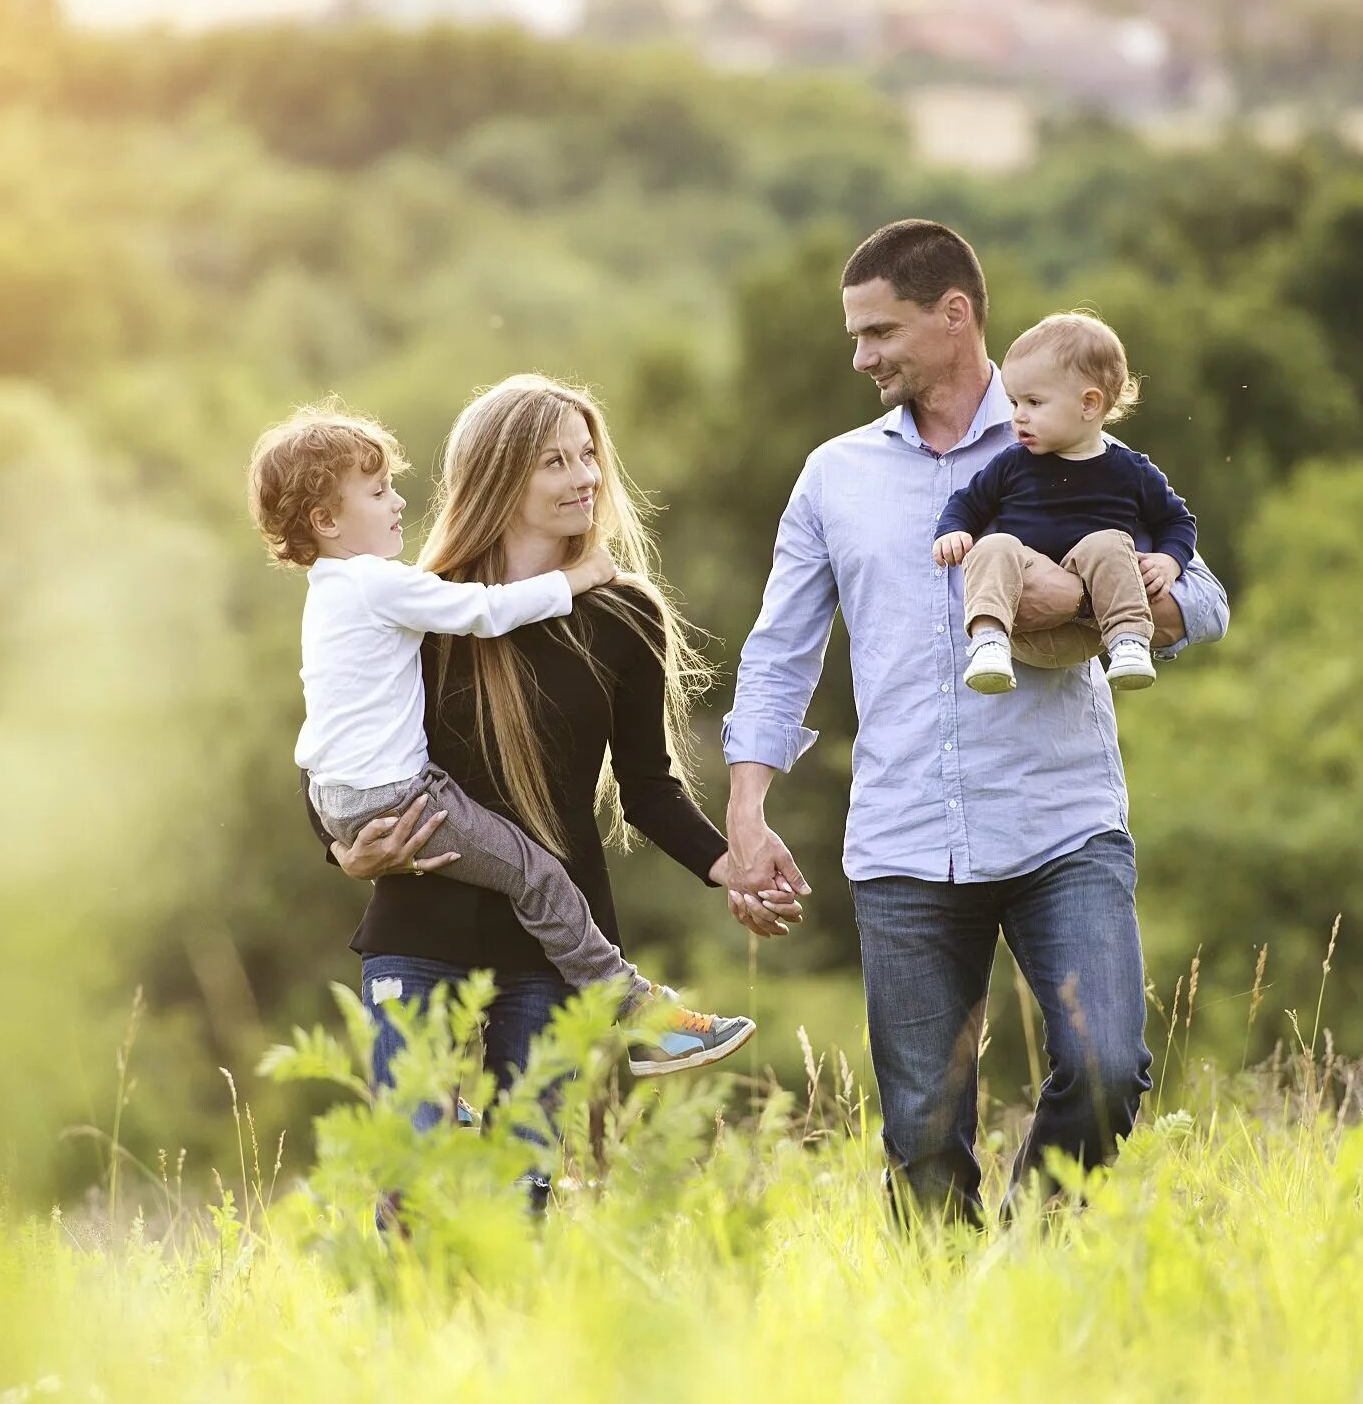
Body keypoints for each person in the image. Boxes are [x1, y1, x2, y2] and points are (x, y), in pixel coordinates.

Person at [718, 220, 1231, 1226]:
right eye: (854, 336)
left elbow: (1204, 602)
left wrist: (1094, 603)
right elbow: (779, 649)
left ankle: (1024, 1265)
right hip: (903, 838)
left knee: (1102, 1068)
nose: (860, 356)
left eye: (878, 332)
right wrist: (746, 809)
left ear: (954, 316)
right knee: (920, 1133)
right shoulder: (834, 476)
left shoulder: (1083, 445)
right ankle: (949, 1343)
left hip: (1060, 822)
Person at [248, 399, 753, 1077]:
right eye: (555, 460)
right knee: (414, 1170)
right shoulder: (426, 605)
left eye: (587, 454)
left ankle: (637, 1012)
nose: (586, 476)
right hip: (420, 933)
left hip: (548, 953)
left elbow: (649, 787)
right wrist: (345, 853)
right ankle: (636, 1008)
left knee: (524, 1179)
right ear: (502, 476)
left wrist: (730, 864)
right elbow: (336, 741)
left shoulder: (625, 616)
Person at [931, 311, 1199, 696]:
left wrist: (1169, 561)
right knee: (994, 545)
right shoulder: (1013, 462)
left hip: (1096, 632)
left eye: (1034, 402)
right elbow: (967, 502)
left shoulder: (1130, 470)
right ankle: (988, 641)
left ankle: (1130, 643)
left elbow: (1177, 521)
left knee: (1108, 542)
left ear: (1089, 404)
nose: (1018, 416)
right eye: (1013, 402)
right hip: (1022, 623)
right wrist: (953, 531)